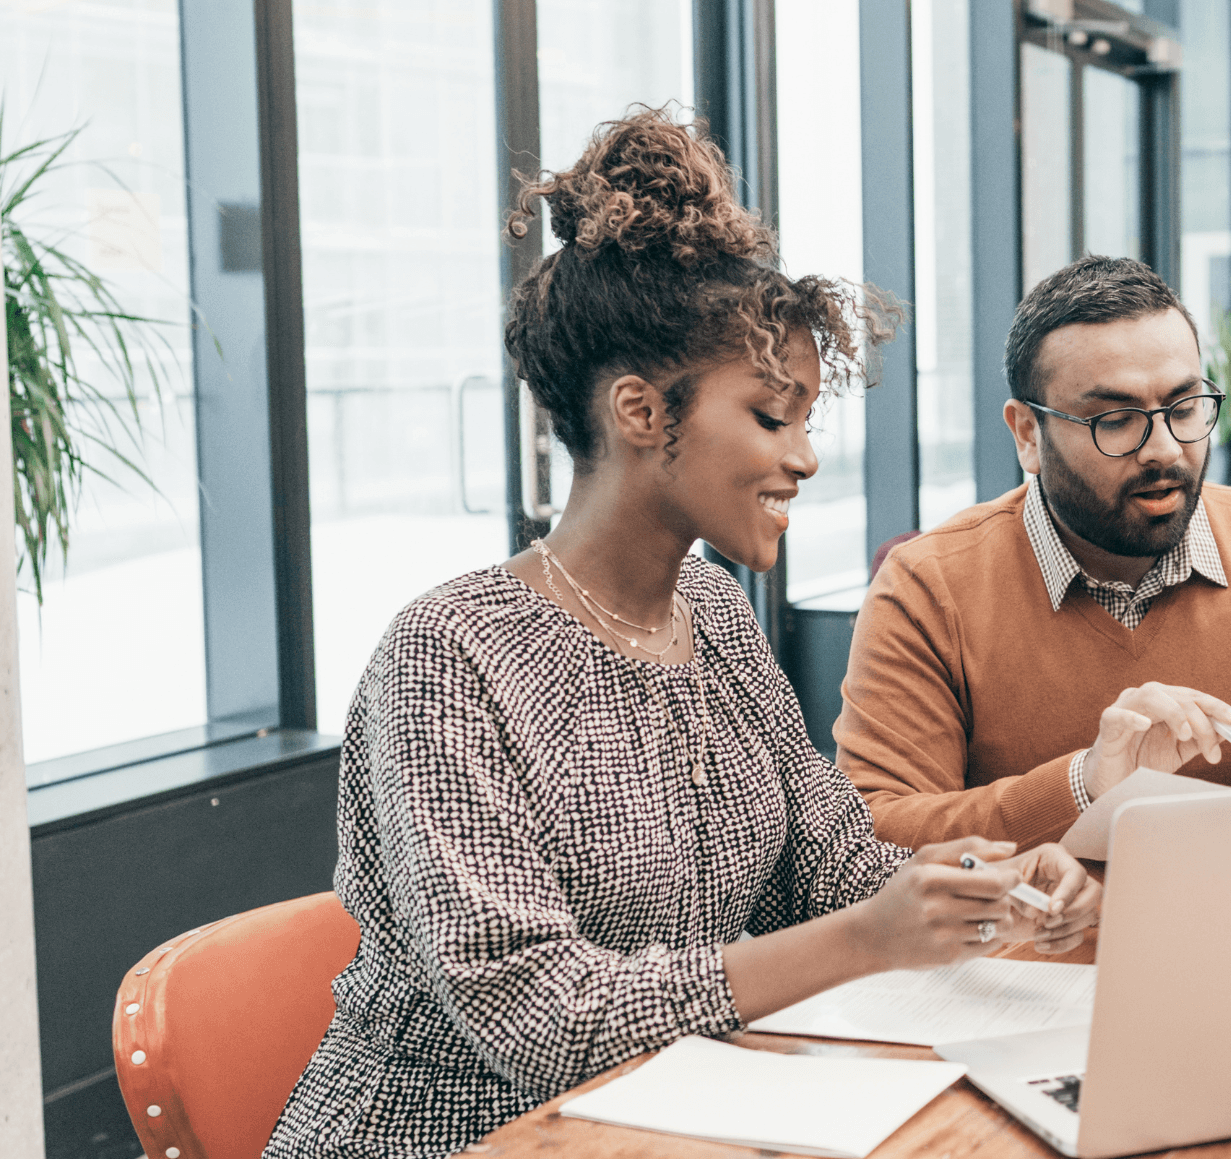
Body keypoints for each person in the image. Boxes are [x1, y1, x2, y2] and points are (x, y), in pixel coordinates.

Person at [265, 111, 1099, 1159]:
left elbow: (831, 869)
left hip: (673, 1112)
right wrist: (864, 939)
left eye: (805, 420)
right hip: (457, 1137)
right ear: (639, 412)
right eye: (768, 416)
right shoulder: (446, 656)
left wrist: (986, 881)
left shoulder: (713, 616)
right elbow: (545, 1017)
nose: (803, 458)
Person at [837, 255, 1231, 849]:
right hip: (1024, 942)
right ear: (1027, 435)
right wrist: (1083, 786)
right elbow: (874, 838)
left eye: (1185, 407)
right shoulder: (927, 586)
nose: (1165, 450)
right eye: (1116, 419)